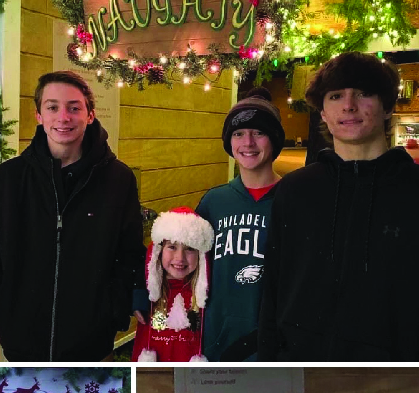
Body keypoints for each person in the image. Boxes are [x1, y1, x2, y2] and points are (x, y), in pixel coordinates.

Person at [258, 52, 419, 360]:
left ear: (387, 107)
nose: (348, 105)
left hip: (400, 376)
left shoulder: (414, 188)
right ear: (322, 112)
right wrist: (269, 368)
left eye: (363, 93)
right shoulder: (295, 190)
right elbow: (273, 289)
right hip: (302, 368)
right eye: (336, 96)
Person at [0, 70, 144, 361]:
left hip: (91, 344)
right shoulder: (9, 179)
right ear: (39, 115)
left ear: (89, 115)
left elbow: (129, 252)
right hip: (20, 341)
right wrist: (1, 316)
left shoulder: (118, 179)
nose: (63, 117)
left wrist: (112, 313)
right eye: (52, 107)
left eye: (74, 108)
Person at [196, 88, 283, 361]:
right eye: (238, 133)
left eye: (259, 132)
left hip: (277, 341)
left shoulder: (296, 199)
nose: (248, 142)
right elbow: (184, 262)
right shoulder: (214, 201)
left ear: (275, 140)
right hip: (218, 337)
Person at [135, 207, 213, 362]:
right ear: (158, 251)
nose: (180, 257)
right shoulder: (147, 293)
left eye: (190, 249)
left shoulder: (204, 295)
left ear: (201, 255)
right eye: (172, 247)